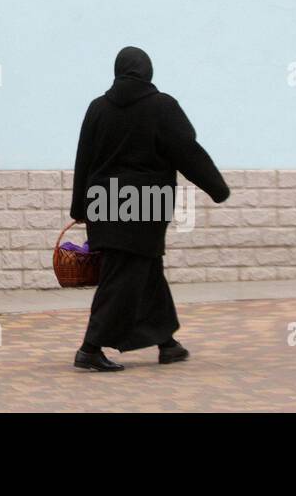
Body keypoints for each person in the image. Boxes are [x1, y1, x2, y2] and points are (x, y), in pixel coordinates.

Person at [70, 47, 230, 371]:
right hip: (144, 207)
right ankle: (90, 348)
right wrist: (216, 187)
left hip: (104, 203)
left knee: (146, 272)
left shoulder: (97, 108)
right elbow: (187, 151)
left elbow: (83, 159)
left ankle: (167, 343)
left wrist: (79, 208)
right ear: (148, 72)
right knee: (123, 276)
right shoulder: (162, 107)